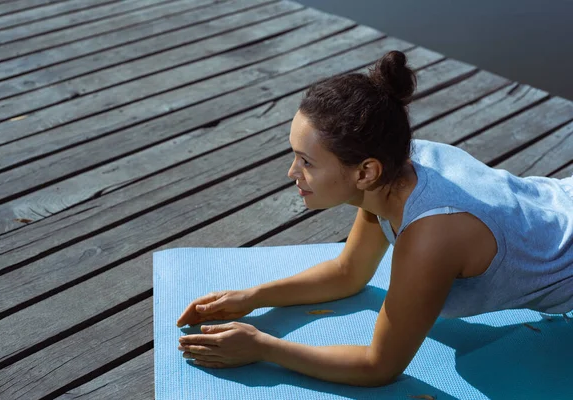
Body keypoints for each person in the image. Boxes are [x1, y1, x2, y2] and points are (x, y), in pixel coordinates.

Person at [176, 50, 573, 387]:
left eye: (307, 161)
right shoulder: (393, 165)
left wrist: (263, 347)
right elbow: (349, 272)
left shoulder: (432, 235)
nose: (292, 173)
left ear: (365, 172)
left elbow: (378, 366)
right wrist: (253, 297)